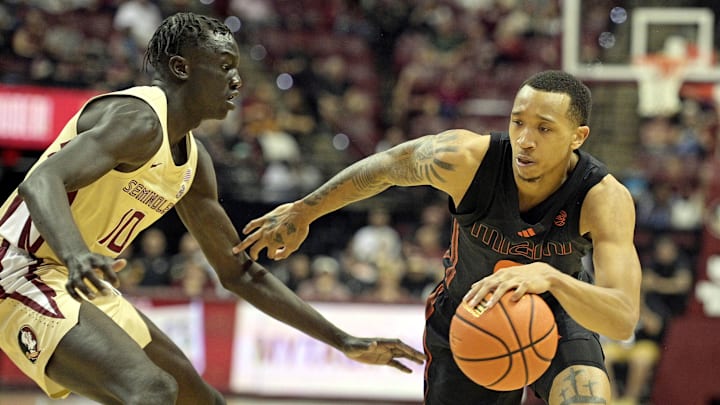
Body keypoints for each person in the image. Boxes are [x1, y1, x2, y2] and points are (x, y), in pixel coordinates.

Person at [0, 12, 425, 405]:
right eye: (224, 66)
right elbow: (41, 181)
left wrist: (343, 340)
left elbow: (239, 272)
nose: (238, 80)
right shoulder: (139, 119)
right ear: (183, 68)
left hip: (77, 278)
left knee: (201, 400)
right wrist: (76, 255)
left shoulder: (194, 162)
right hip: (22, 268)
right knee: (151, 392)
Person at [236, 70, 642, 404]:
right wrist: (305, 209)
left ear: (578, 136)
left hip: (557, 317)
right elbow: (386, 167)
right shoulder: (466, 159)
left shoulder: (603, 198)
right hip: (468, 317)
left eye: (544, 128)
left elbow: (622, 317)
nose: (525, 140)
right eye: (518, 121)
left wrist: (550, 277)